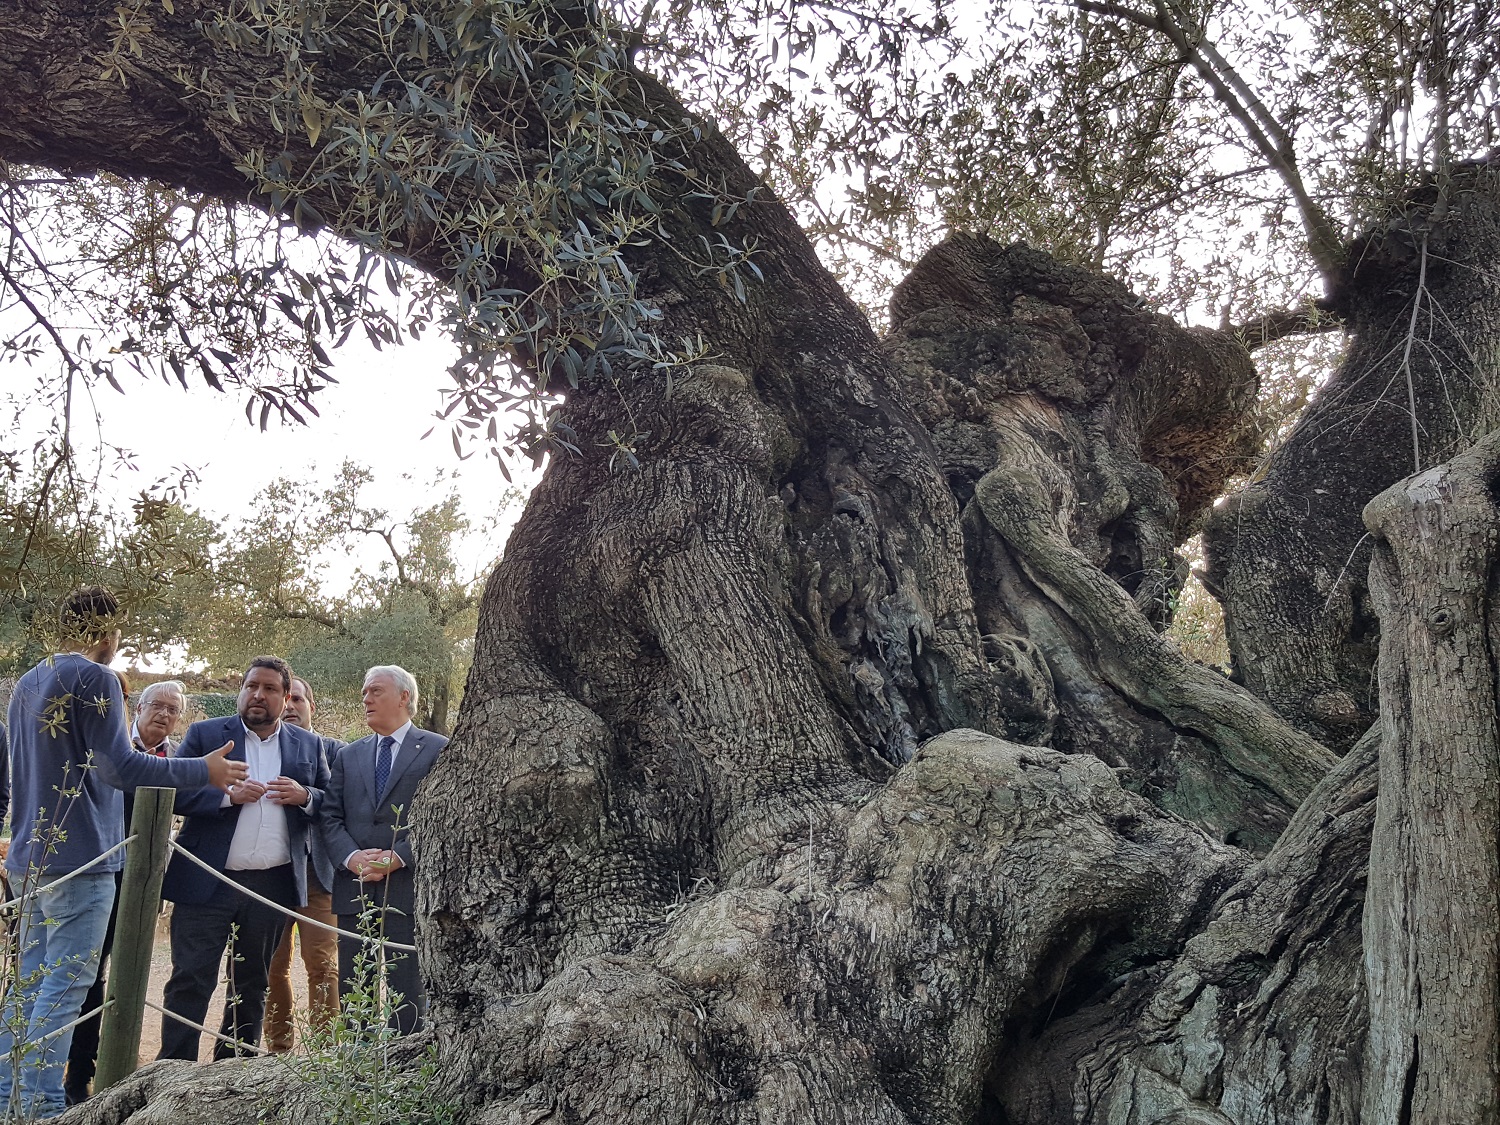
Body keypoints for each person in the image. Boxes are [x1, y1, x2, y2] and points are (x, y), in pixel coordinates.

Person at [0, 587, 245, 1119]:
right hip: (81, 858)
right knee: (65, 989)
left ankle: (7, 1101)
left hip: (29, 858)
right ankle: (40, 1110)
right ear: (107, 631)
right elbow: (122, 768)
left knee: (29, 986)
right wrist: (203, 769)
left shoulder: (30, 679)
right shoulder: (97, 679)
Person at [157, 656, 330, 1061]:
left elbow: (329, 800)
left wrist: (305, 797)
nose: (258, 695)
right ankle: (172, 1071)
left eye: (270, 689)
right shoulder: (205, 735)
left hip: (272, 885)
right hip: (207, 881)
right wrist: (224, 797)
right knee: (190, 978)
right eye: (252, 686)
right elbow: (174, 791)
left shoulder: (308, 744)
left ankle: (233, 1070)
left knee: (252, 982)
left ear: (285, 698)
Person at [64, 678, 186, 1105]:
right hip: (96, 871)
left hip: (145, 880)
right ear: (137, 708)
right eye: (158, 705)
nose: (165, 715)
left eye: (174, 710)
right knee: (88, 970)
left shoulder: (176, 759)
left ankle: (119, 1069)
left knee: (129, 967)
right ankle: (77, 1075)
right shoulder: (111, 747)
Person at [321, 665, 447, 1035]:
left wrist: (398, 857)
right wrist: (351, 857)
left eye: (375, 691)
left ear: (404, 697)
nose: (366, 698)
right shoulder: (348, 755)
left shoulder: (438, 749)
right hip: (354, 889)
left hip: (407, 891)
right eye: (364, 692)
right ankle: (354, 1071)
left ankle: (406, 1070)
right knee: (354, 989)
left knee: (407, 991)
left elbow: (441, 820)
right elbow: (329, 815)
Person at [264, 677, 345, 1052]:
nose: (292, 705)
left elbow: (342, 804)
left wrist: (305, 796)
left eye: (299, 698)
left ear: (313, 706)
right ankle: (277, 1053)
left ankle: (326, 1056)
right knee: (270, 966)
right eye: (287, 698)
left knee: (323, 965)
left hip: (320, 876)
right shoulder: (265, 748)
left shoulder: (338, 753)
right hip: (272, 875)